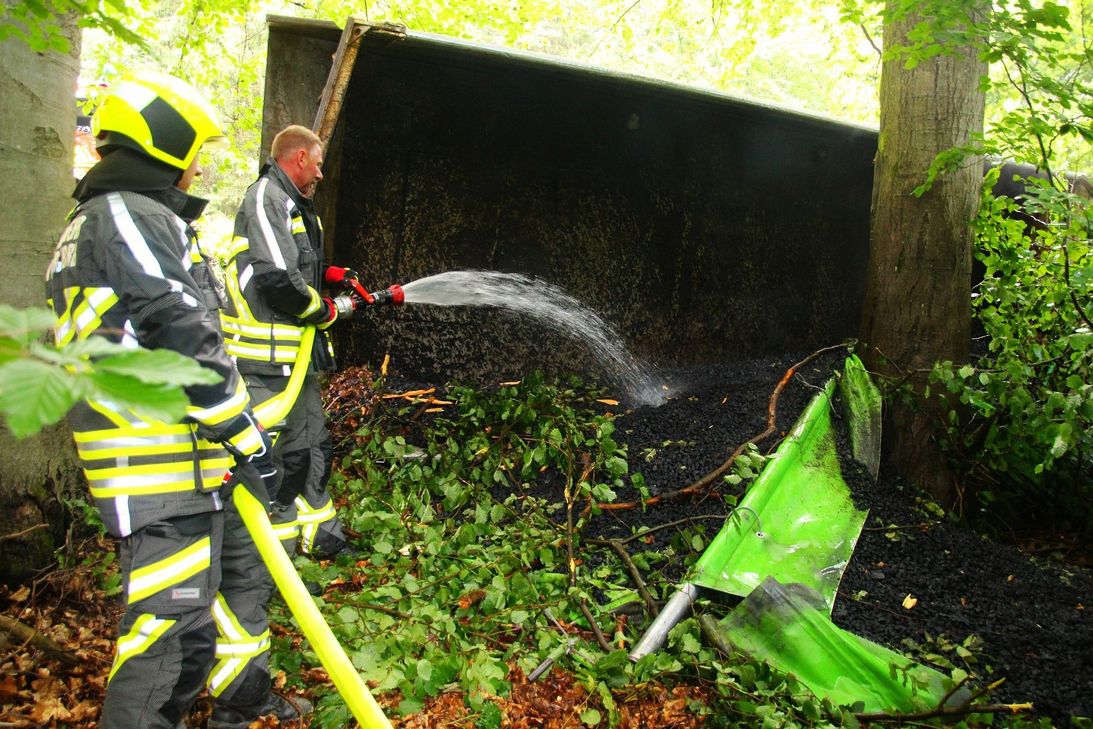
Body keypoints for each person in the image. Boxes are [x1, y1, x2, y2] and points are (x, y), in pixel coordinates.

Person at [44, 72, 310, 729]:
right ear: (161, 142)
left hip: (170, 464)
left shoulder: (105, 218)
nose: (196, 169)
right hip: (157, 465)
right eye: (192, 152)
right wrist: (249, 438)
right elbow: (180, 327)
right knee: (165, 645)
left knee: (189, 632)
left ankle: (238, 700)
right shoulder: (128, 213)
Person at [219, 124, 359, 560]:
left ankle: (322, 539)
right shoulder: (266, 197)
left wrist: (328, 273)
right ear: (299, 157)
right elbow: (279, 279)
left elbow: (295, 265)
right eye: (317, 164)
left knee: (312, 448)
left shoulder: (296, 206)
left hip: (295, 364)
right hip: (266, 365)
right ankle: (269, 569)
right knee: (276, 463)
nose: (320, 175)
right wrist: (328, 309)